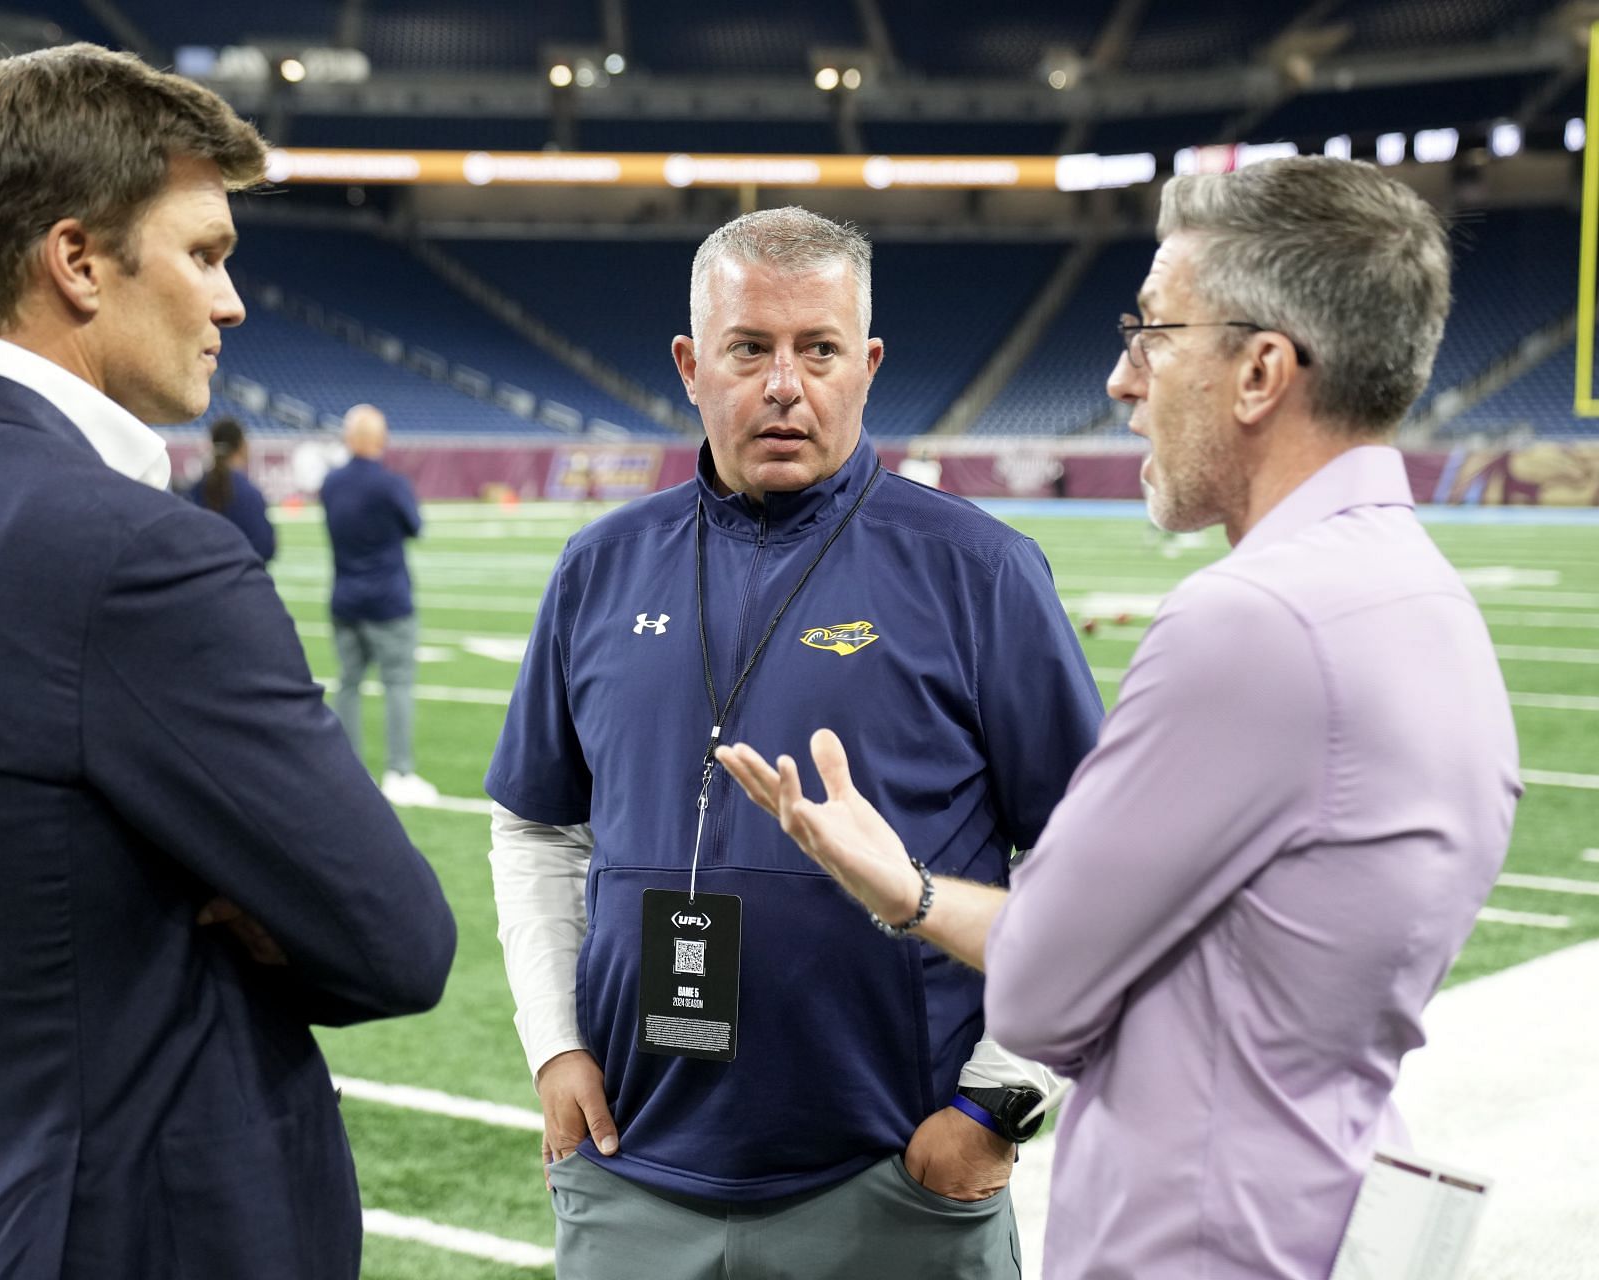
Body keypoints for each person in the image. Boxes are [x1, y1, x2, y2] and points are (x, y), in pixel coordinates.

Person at [715, 157, 1522, 1280]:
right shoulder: (1426, 598)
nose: (1123, 378)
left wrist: (913, 894)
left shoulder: (1251, 624)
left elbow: (1042, 992)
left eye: (1153, 333)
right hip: (1333, 1188)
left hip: (1206, 1233)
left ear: (1259, 372)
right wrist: (909, 885)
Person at [0, 44, 456, 1280]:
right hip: (140, 1230)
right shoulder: (129, 552)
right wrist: (254, 901)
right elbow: (396, 935)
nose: (232, 302)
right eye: (205, 253)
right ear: (77, 261)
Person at [485, 206, 1105, 1278]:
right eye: (750, 348)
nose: (784, 383)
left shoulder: (981, 569)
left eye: (817, 349)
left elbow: (1094, 861)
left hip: (895, 1177)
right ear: (691, 363)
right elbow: (537, 825)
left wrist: (1002, 1098)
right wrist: (555, 1043)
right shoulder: (600, 565)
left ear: (865, 365)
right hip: (631, 1168)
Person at [319, 403, 436, 806]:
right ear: (380, 440)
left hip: (345, 599)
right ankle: (399, 771)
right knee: (398, 683)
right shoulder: (391, 484)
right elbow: (416, 526)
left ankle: (349, 770)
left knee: (348, 683)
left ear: (349, 439)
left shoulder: (331, 483)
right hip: (388, 600)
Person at [187, 415, 275, 561]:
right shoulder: (250, 494)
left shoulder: (193, 490)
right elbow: (265, 547)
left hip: (201, 578)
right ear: (241, 445)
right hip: (240, 579)